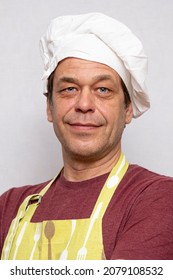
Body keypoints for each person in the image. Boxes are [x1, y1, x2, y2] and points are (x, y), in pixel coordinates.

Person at [0, 12, 173, 260]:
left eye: (103, 90)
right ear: (50, 107)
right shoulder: (10, 208)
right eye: (69, 89)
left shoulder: (155, 199)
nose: (84, 104)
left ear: (127, 109)